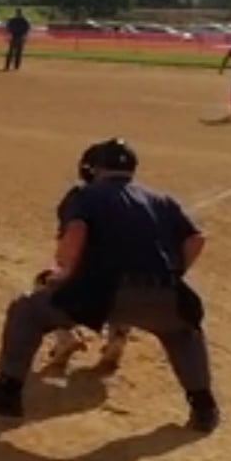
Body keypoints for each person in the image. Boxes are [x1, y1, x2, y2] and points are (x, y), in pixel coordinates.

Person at [0, 138, 218, 431]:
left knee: (28, 310)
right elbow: (196, 239)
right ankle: (204, 408)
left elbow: (76, 231)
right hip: (165, 292)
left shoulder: (84, 195)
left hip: (103, 292)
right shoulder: (162, 199)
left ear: (94, 168)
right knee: (182, 331)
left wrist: (63, 275)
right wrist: (173, 275)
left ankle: (6, 389)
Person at [41, 148, 133, 373]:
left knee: (45, 283)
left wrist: (63, 271)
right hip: (134, 281)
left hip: (89, 278)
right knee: (125, 286)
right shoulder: (141, 197)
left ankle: (66, 337)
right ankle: (118, 335)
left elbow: (71, 237)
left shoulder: (80, 196)